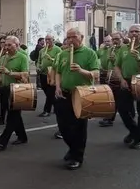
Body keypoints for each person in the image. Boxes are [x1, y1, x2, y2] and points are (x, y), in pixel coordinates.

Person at [53, 28, 100, 170]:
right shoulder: (63, 54)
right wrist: (57, 86)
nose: (71, 40)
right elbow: (58, 72)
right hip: (64, 93)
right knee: (63, 126)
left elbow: (96, 73)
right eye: (68, 37)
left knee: (79, 127)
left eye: (74, 36)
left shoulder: (90, 53)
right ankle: (72, 149)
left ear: (82, 37)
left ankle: (77, 156)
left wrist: (81, 70)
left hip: (82, 93)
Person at [113, 24, 140, 149]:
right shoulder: (123, 48)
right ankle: (134, 131)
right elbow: (117, 66)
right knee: (122, 108)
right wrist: (121, 79)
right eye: (131, 31)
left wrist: (139, 59)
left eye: (136, 31)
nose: (133, 34)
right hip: (126, 80)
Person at [0, 36, 29, 151]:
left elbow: (25, 75)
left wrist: (10, 73)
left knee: (12, 116)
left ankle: (2, 141)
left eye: (9, 45)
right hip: (5, 89)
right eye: (6, 45)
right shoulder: (4, 57)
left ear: (16, 45)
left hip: (18, 89)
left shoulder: (22, 57)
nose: (6, 47)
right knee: (15, 115)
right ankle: (22, 136)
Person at [98, 33, 124, 128]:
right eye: (113, 39)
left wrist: (114, 60)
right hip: (109, 76)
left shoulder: (123, 49)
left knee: (118, 99)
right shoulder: (110, 49)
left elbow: (122, 64)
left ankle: (111, 118)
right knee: (111, 98)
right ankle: (109, 118)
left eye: (117, 39)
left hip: (119, 77)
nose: (115, 41)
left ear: (122, 39)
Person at [37, 35, 61, 118]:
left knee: (50, 92)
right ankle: (57, 105)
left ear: (53, 40)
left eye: (49, 39)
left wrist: (51, 59)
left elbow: (59, 61)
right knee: (47, 91)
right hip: (43, 73)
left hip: (52, 74)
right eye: (46, 39)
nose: (47, 41)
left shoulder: (57, 49)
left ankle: (46, 110)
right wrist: (38, 67)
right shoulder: (42, 50)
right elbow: (39, 60)